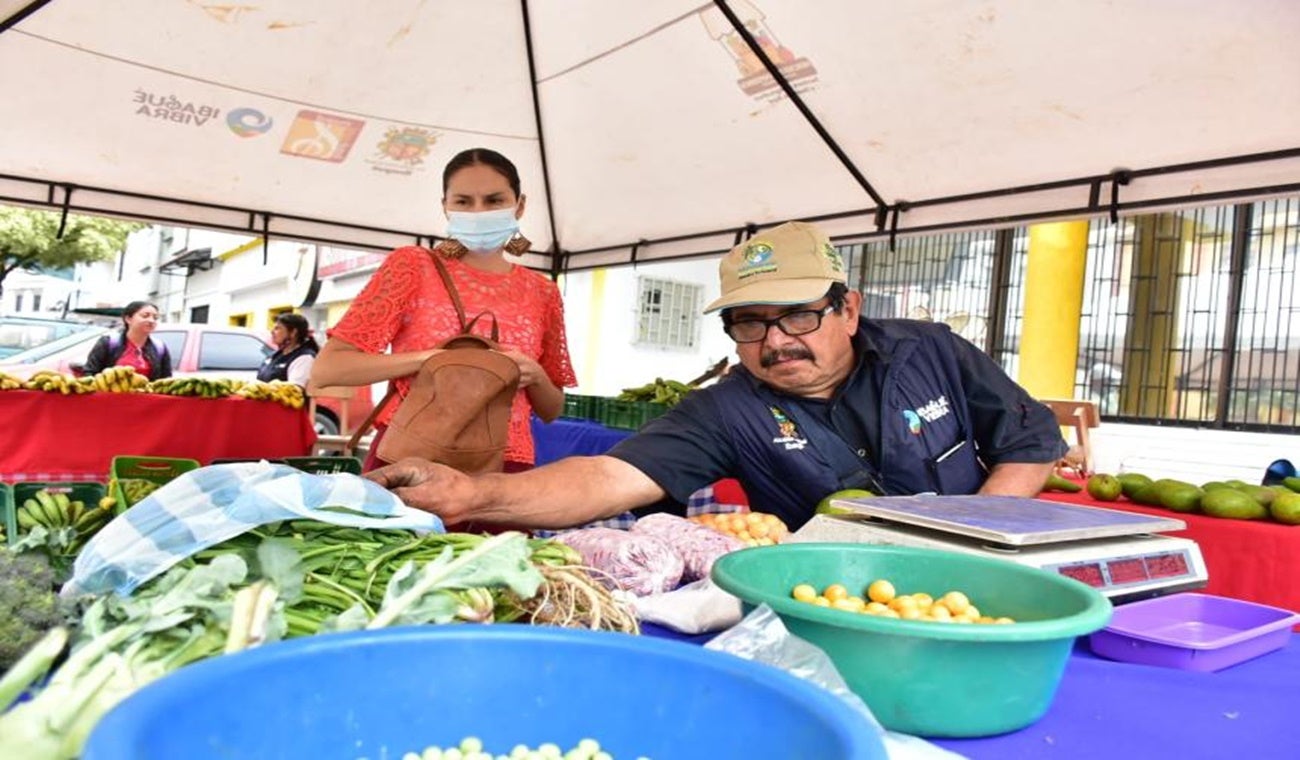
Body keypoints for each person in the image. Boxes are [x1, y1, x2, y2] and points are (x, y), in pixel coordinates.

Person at [365, 220, 1068, 531]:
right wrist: (470, 491)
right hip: (840, 596)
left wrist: (972, 533)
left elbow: (1030, 440)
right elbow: (608, 478)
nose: (775, 341)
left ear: (847, 308)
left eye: (797, 316)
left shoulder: (931, 351)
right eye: (750, 322)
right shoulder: (725, 410)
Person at [311, 147, 576, 472]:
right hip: (411, 455)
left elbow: (552, 409)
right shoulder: (413, 266)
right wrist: (431, 360)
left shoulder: (543, 292)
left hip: (503, 464)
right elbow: (329, 370)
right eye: (463, 201)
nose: (479, 212)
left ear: (519, 205)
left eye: (494, 200)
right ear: (445, 207)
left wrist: (534, 375)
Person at [82, 300, 172, 380]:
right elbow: (89, 373)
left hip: (145, 398)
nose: (151, 320)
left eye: (155, 318)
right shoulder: (109, 343)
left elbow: (166, 379)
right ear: (128, 319)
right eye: (145, 316)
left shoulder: (159, 348)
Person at [257, 313, 319, 386]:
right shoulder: (275, 355)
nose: (272, 332)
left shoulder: (304, 358)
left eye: (277, 328)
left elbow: (293, 390)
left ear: (293, 332)